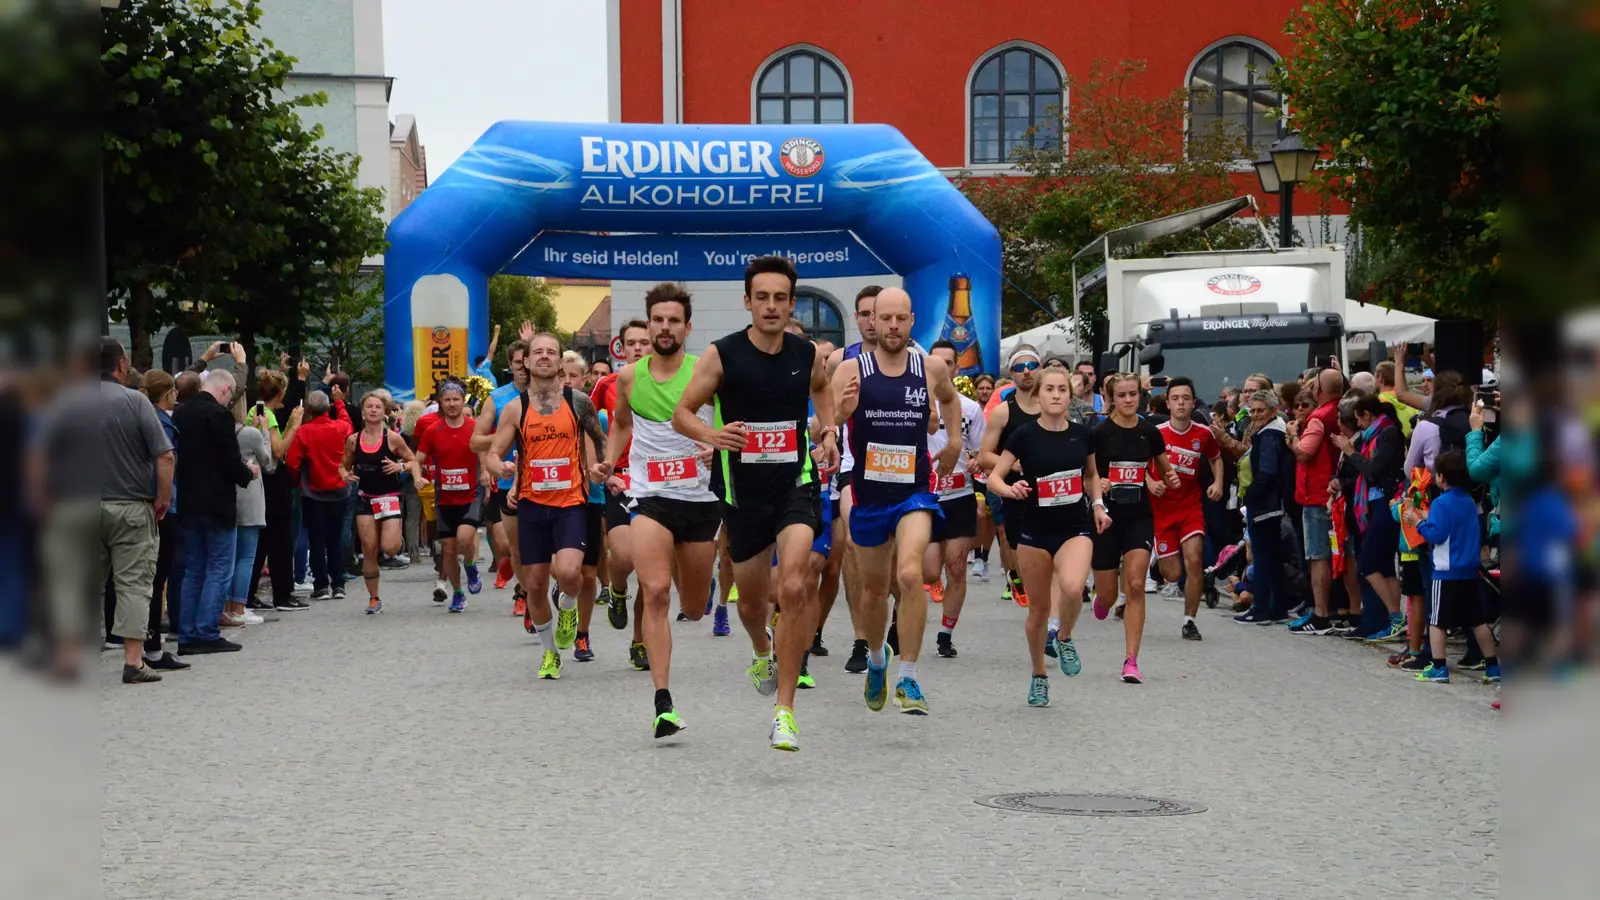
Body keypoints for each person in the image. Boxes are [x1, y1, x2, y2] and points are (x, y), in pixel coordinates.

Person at [671, 255, 838, 751]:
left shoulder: (806, 354)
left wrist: (827, 431)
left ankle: (784, 710)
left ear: (791, 303)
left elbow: (823, 390)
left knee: (794, 583)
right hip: (742, 494)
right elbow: (682, 413)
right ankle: (760, 648)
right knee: (752, 601)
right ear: (748, 301)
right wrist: (711, 433)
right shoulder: (721, 356)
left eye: (779, 298)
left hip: (796, 483)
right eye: (761, 297)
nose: (770, 306)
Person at [597, 283, 722, 737]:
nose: (665, 328)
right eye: (658, 320)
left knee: (692, 607)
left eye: (674, 321)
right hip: (650, 497)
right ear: (647, 325)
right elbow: (623, 424)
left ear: (687, 327)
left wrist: (716, 447)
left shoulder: (706, 372)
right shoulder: (628, 378)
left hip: (702, 501)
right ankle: (662, 702)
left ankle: (701, 586)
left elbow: (726, 425)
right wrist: (611, 458)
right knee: (654, 590)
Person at [833, 288, 960, 715]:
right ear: (869, 322)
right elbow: (822, 423)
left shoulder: (930, 366)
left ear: (911, 320)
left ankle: (908, 677)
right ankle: (875, 660)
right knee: (873, 590)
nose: (889, 326)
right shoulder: (850, 367)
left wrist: (956, 441)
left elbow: (949, 398)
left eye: (899, 319)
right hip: (869, 493)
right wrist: (840, 412)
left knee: (910, 574)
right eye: (882, 318)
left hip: (914, 490)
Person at [486, 333, 609, 681]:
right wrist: (501, 468)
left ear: (559, 362)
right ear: (525, 361)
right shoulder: (515, 408)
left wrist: (601, 467)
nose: (543, 357)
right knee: (536, 584)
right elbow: (494, 453)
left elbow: (601, 444)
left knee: (571, 573)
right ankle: (550, 653)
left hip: (571, 501)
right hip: (532, 505)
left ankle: (568, 609)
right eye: (536, 352)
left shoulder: (579, 401)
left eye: (550, 352)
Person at [987, 367, 1110, 707]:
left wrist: (1098, 505)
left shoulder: (1083, 434)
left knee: (1072, 587)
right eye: (1050, 390)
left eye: (1062, 390)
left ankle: (1066, 636)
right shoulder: (1023, 436)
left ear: (1070, 397)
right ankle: (1039, 676)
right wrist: (1010, 489)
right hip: (1035, 530)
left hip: (1075, 526)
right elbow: (993, 479)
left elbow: (1092, 474)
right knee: (1038, 612)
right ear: (1038, 396)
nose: (1056, 395)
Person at [87, 339, 175, 680]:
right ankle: (134, 662)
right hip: (131, 506)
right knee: (133, 584)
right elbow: (165, 456)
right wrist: (162, 498)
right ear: (122, 366)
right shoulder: (136, 401)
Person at [1090, 373, 1180, 684]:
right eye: (1122, 395)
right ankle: (1102, 601)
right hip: (1106, 517)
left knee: (1136, 583)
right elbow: (1085, 473)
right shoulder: (1099, 433)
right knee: (1108, 593)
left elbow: (1164, 465)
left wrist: (1170, 478)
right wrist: (1097, 485)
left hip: (1139, 515)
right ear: (1111, 398)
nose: (1129, 400)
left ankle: (1131, 660)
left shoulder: (1148, 431)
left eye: (1133, 394)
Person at [172, 368, 259, 654]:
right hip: (217, 503)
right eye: (230, 395)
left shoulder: (181, 414)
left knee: (194, 568)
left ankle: (186, 634)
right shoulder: (219, 416)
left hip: (188, 501)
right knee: (219, 567)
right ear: (224, 390)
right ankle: (207, 632)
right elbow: (229, 462)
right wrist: (249, 472)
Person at [1402, 450, 1501, 684]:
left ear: (1442, 477)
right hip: (1470, 570)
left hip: (1446, 572)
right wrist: (1429, 517)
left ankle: (1438, 667)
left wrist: (1417, 522)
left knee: (1437, 621)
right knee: (1478, 621)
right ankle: (1493, 666)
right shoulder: (1467, 501)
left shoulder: (1440, 502)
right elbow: (1453, 525)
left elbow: (1436, 535)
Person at [827, 284, 884, 676]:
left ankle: (889, 624)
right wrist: (827, 435)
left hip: (900, 470)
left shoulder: (916, 362)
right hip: (852, 466)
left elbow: (932, 416)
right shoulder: (839, 361)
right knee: (851, 546)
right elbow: (826, 416)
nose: (869, 320)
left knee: (895, 563)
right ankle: (861, 639)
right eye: (862, 313)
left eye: (875, 313)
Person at [591, 318, 652, 667]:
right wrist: (603, 464)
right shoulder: (608, 384)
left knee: (650, 569)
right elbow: (592, 426)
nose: (639, 348)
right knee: (626, 558)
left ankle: (640, 641)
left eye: (645, 342)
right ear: (622, 347)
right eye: (633, 343)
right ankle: (616, 590)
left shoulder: (669, 383)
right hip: (621, 480)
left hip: (657, 482)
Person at [924, 340, 986, 659]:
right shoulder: (916, 403)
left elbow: (982, 451)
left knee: (956, 568)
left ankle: (945, 634)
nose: (943, 368)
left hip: (959, 495)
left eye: (949, 362)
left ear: (956, 368)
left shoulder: (971, 408)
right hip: (927, 497)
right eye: (937, 362)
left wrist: (978, 461)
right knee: (930, 571)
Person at [1148, 376, 1223, 642]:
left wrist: (1218, 482)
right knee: (1173, 574)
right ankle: (1159, 562)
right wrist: (1152, 482)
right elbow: (1140, 464)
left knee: (1194, 560)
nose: (1181, 403)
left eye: (1186, 398)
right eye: (1176, 398)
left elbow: (1216, 458)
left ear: (1193, 403)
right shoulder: (1156, 434)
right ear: (1167, 403)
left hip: (1190, 507)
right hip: (1162, 510)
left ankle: (1189, 621)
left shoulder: (1203, 434)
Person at [342, 390, 426, 614]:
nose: (373, 410)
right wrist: (345, 474)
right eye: (369, 406)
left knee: (389, 547)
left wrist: (401, 467)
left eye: (378, 407)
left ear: (384, 412)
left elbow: (414, 461)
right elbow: (344, 465)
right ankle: (374, 598)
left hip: (389, 497)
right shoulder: (353, 440)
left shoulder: (393, 438)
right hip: (365, 499)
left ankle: (393, 534)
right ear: (362, 411)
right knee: (369, 550)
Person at [1331, 394, 1407, 640]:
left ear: (1367, 415)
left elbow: (1373, 470)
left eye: (1359, 420)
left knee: (1369, 564)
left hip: (1387, 501)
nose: (1358, 426)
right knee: (1384, 566)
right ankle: (1394, 620)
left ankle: (1396, 615)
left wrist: (1351, 451)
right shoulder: (1374, 435)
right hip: (1375, 502)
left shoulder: (1387, 433)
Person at [978, 346, 1043, 609]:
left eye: (1031, 366)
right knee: (1013, 538)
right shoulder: (1003, 412)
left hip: (1050, 489)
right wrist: (1011, 464)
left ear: (1040, 370)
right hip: (1014, 488)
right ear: (1012, 375)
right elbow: (984, 456)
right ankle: (1016, 577)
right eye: (1019, 368)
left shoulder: (1054, 407)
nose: (1026, 372)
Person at [415, 378, 487, 613]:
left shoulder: (474, 427)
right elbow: (418, 460)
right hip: (444, 497)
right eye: (447, 400)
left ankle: (471, 565)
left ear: (462, 400)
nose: (452, 404)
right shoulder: (433, 430)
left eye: (456, 399)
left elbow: (482, 452)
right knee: (448, 548)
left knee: (465, 539)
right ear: (440, 402)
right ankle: (457, 593)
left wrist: (485, 472)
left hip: (470, 494)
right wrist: (417, 475)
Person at [1287, 368, 1344, 633]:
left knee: (1318, 555)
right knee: (1342, 553)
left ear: (1319, 391)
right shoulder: (1343, 409)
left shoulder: (1319, 417)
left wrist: (1293, 436)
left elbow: (1304, 453)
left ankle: (1320, 613)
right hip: (1339, 492)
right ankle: (1345, 609)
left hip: (1317, 496)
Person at [247, 369, 308, 613]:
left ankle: (249, 593)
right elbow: (277, 451)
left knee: (263, 540)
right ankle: (282, 594)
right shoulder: (269, 416)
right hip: (273, 481)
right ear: (280, 391)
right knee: (280, 539)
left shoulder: (256, 410)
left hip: (263, 482)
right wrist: (294, 426)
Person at [285, 390, 354, 602]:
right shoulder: (342, 428)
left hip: (313, 492)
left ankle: (321, 585)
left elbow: (292, 462)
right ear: (328, 407)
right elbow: (349, 427)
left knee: (317, 539)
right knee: (335, 537)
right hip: (340, 490)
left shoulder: (304, 432)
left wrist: (298, 482)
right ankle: (339, 584)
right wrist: (340, 403)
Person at [559, 349, 606, 660]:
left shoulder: (594, 414)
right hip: (554, 498)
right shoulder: (538, 411)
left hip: (589, 498)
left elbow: (604, 448)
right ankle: (564, 599)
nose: (566, 381)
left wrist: (602, 470)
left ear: (584, 380)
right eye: (561, 375)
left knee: (588, 573)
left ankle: (583, 635)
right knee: (563, 570)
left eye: (573, 376)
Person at [1238, 389, 1293, 626]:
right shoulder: (1273, 431)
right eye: (1253, 411)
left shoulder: (1270, 436)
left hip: (1265, 505)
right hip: (1271, 505)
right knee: (1273, 559)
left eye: (1261, 410)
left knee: (1262, 559)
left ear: (1273, 411)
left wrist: (1251, 495)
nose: (1256, 415)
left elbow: (1268, 472)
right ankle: (1278, 609)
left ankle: (1260, 609)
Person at [222, 401, 274, 628]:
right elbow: (268, 462)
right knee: (246, 556)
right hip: (249, 495)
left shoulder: (220, 430)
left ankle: (224, 608)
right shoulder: (250, 433)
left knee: (226, 557)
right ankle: (239, 607)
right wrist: (263, 431)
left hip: (225, 495)